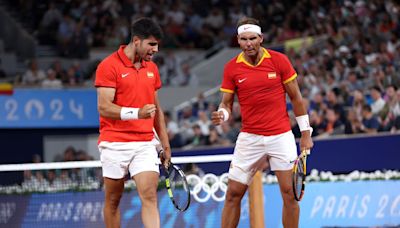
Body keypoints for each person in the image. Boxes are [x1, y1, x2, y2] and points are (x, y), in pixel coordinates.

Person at [211, 17, 313, 228]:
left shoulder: (279, 60)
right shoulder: (231, 68)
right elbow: (227, 104)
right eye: (243, 39)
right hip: (250, 138)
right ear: (238, 41)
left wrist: (305, 134)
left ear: (261, 38)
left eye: (253, 38)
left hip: (281, 136)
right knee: (233, 194)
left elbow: (296, 98)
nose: (249, 43)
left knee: (290, 194)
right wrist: (222, 115)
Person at [95, 17, 171, 228]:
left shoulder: (152, 69)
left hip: (144, 144)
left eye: (157, 45)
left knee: (149, 195)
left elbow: (157, 112)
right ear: (136, 41)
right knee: (112, 200)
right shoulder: (108, 66)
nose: (155, 50)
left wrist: (165, 144)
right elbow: (104, 107)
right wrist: (136, 113)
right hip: (114, 143)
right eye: (152, 44)